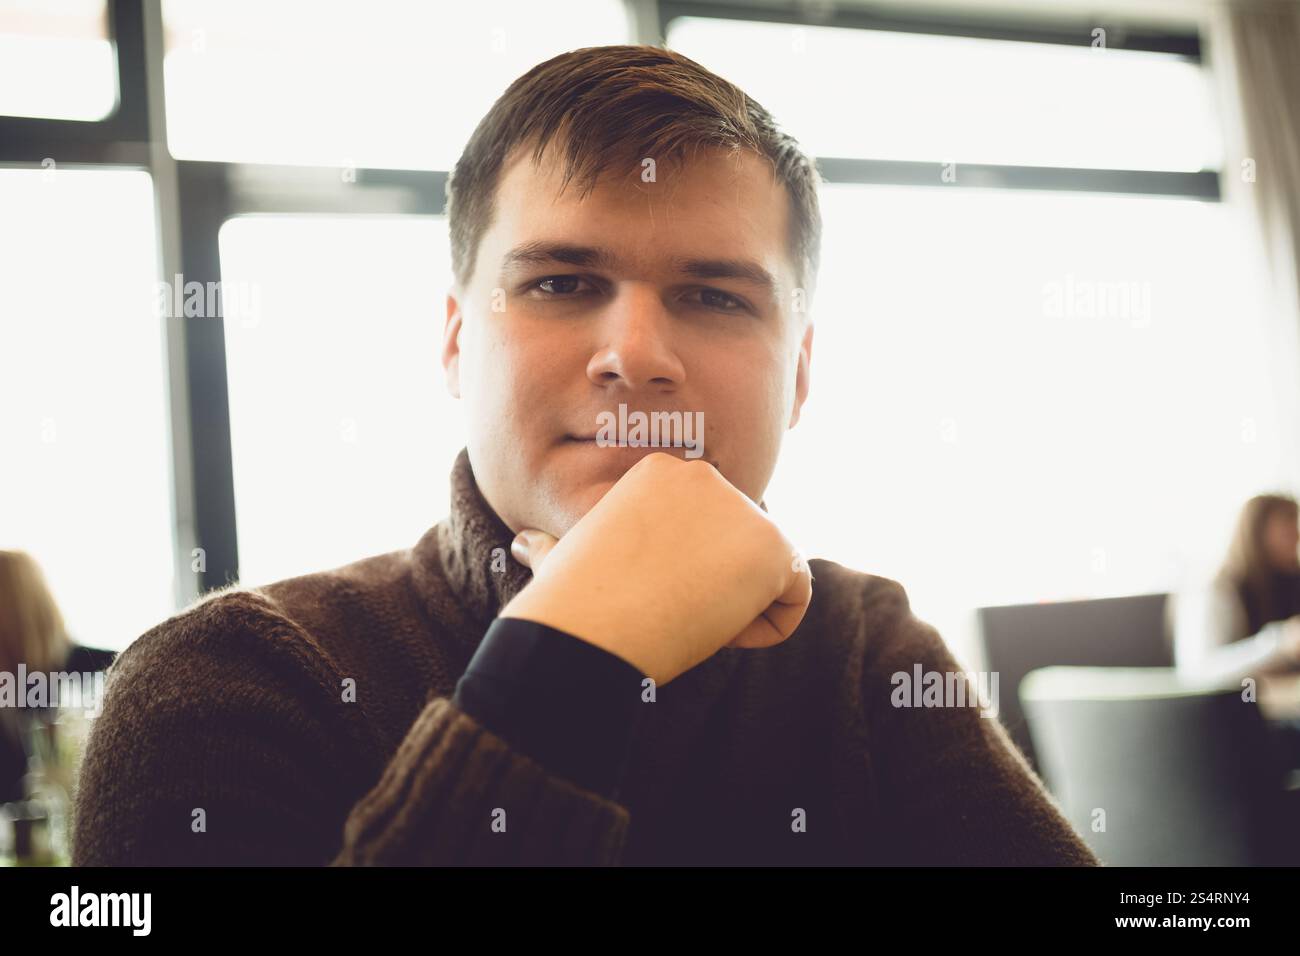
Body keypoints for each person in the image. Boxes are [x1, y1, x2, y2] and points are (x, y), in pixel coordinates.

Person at [73, 45, 1098, 866]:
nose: (637, 355)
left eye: (714, 296)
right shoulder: (231, 679)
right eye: (561, 283)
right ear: (455, 343)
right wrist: (570, 658)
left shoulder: (863, 652)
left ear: (798, 375)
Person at [1171, 494, 1300, 687]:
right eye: (1288, 527)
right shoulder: (1214, 586)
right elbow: (1198, 671)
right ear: (1256, 533)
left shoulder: (1287, 580)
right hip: (1231, 703)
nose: (1296, 537)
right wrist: (1281, 642)